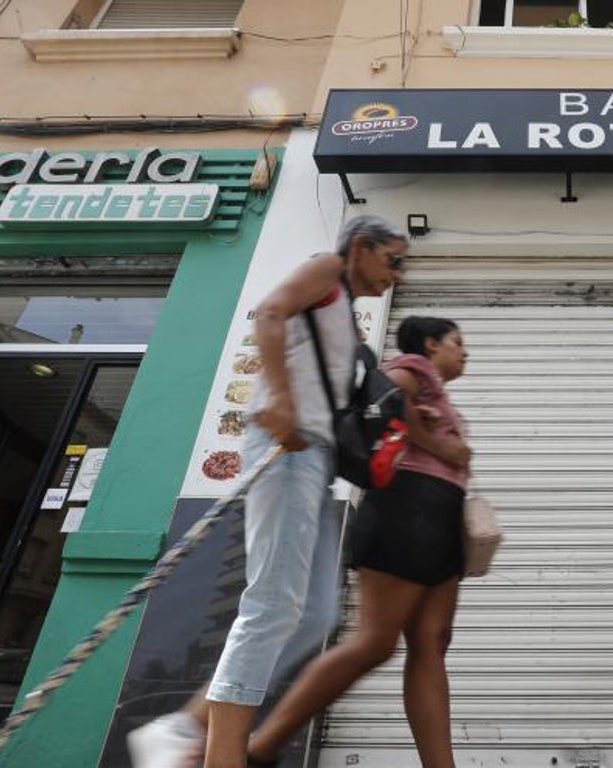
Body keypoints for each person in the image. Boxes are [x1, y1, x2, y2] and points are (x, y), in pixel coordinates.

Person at [127, 215, 409, 768]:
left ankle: (182, 728)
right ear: (360, 247)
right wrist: (277, 398)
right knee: (274, 603)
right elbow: (272, 311)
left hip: (313, 457)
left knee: (314, 614)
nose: (396, 273)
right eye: (392, 259)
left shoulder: (342, 312)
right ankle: (220, 757)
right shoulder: (326, 269)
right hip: (283, 450)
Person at [237, 315, 472, 768]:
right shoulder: (414, 368)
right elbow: (387, 393)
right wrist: (438, 445)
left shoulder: (436, 393)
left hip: (439, 515)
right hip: (409, 508)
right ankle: (260, 747)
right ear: (430, 344)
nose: (465, 352)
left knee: (432, 641)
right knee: (375, 642)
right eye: (457, 343)